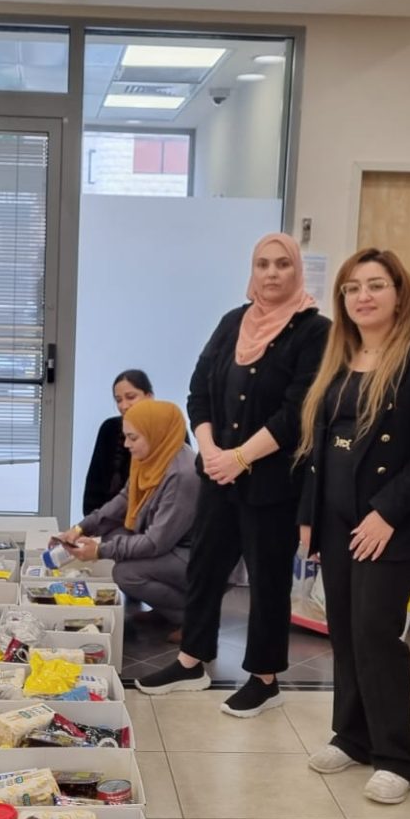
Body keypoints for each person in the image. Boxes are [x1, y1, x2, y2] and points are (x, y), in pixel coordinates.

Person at [135, 231, 330, 718]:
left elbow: (298, 411)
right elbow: (199, 391)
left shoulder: (315, 331)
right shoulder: (232, 323)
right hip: (219, 475)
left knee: (266, 580)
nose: (271, 273)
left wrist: (241, 457)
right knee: (204, 566)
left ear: (296, 270)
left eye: (282, 264)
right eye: (263, 263)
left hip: (273, 483)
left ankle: (265, 678)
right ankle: (192, 660)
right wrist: (210, 451)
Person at [297, 250, 410, 804]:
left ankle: (398, 758)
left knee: (375, 631)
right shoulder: (338, 357)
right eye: (352, 288)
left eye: (376, 285)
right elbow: (318, 447)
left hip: (396, 522)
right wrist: (309, 517)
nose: (363, 296)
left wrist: (387, 512)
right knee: (344, 629)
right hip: (338, 519)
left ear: (399, 292)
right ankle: (352, 735)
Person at [59, 398, 199, 641]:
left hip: (199, 557)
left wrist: (100, 551)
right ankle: (168, 609)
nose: (126, 444)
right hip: (176, 546)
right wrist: (80, 528)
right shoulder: (154, 456)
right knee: (113, 535)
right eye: (126, 437)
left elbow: (156, 543)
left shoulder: (183, 475)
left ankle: (195, 616)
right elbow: (124, 500)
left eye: (133, 438)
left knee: (126, 573)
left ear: (155, 433)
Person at [82, 370, 155, 516]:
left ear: (149, 397)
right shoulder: (109, 429)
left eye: (130, 397)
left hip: (153, 522)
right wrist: (92, 523)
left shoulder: (168, 429)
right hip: (107, 520)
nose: (124, 405)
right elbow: (93, 489)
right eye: (118, 400)